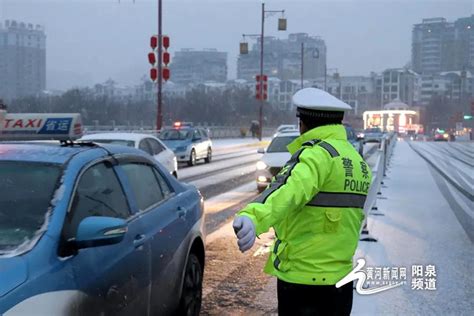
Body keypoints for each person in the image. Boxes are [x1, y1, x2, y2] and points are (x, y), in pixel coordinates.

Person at [233, 87, 372, 315]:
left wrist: (253, 217)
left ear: (303, 123)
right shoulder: (356, 161)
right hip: (341, 280)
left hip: (303, 280)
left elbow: (286, 191)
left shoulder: (316, 155)